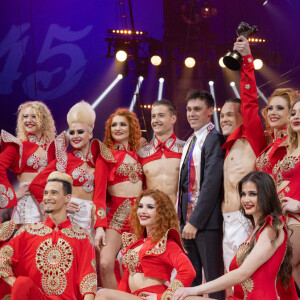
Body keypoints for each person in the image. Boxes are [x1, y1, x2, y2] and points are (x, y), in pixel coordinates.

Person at [173, 171, 298, 300]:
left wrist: (193, 290)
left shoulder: (271, 228)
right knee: (179, 297)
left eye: (252, 194)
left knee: (184, 297)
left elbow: (243, 273)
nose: (246, 199)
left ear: (266, 195)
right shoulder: (258, 230)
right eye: (243, 194)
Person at [0, 171, 97, 300]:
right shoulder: (27, 232)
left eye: (54, 193)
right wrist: (16, 284)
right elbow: (2, 259)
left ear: (67, 198)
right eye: (45, 193)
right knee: (23, 283)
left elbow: (88, 281)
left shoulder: (82, 237)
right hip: (36, 297)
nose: (47, 197)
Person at [30, 101, 114, 237]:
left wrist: (100, 227)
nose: (75, 136)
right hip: (68, 217)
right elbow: (36, 185)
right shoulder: (64, 160)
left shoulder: (99, 161)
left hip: (91, 219)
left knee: (89, 257)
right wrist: (58, 205)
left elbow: (99, 199)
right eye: (72, 132)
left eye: (80, 132)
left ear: (90, 133)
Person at [96, 189, 196, 300]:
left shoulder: (167, 243)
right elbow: (126, 279)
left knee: (102, 294)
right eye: (140, 206)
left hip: (151, 297)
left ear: (162, 213)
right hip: (134, 296)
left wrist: (164, 297)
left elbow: (188, 271)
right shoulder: (136, 243)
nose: (143, 211)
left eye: (150, 207)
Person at [220, 36, 267, 272]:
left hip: (245, 219)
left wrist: (247, 59)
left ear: (242, 117)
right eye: (222, 115)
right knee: (230, 282)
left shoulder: (252, 137)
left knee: (245, 279)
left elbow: (250, 101)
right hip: (225, 223)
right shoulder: (226, 146)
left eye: (230, 114)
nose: (224, 118)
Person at [177, 90, 225, 300]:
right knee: (191, 279)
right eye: (188, 109)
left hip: (205, 223)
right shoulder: (190, 141)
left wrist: (195, 221)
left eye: (197, 109)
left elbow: (211, 184)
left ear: (210, 111)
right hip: (187, 222)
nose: (191, 113)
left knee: (214, 281)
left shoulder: (213, 138)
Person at [93, 108, 143, 289]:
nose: (118, 128)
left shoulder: (140, 155)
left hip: (141, 218)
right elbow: (98, 196)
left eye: (123, 124)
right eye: (114, 125)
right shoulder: (105, 156)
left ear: (131, 128)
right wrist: (99, 227)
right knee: (105, 263)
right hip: (117, 217)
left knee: (136, 266)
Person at [0, 101, 56, 224]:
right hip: (28, 204)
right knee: (29, 242)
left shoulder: (52, 148)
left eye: (33, 116)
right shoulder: (18, 146)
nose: (28, 120)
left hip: (50, 204)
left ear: (44, 119)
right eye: (25, 117)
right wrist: (13, 195)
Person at [272, 98, 300, 288]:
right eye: (294, 113)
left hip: (296, 219)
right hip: (283, 219)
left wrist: (298, 205)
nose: (296, 117)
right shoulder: (291, 150)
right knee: (290, 273)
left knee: (286, 268)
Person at [138, 99, 185, 205]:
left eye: (161, 115)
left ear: (173, 118)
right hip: (151, 216)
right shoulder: (142, 152)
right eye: (153, 116)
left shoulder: (186, 149)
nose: (156, 120)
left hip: (177, 216)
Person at [256, 88, 298, 174]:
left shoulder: (295, 144)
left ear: (292, 112)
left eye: (280, 108)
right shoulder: (269, 143)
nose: (272, 113)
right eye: (270, 108)